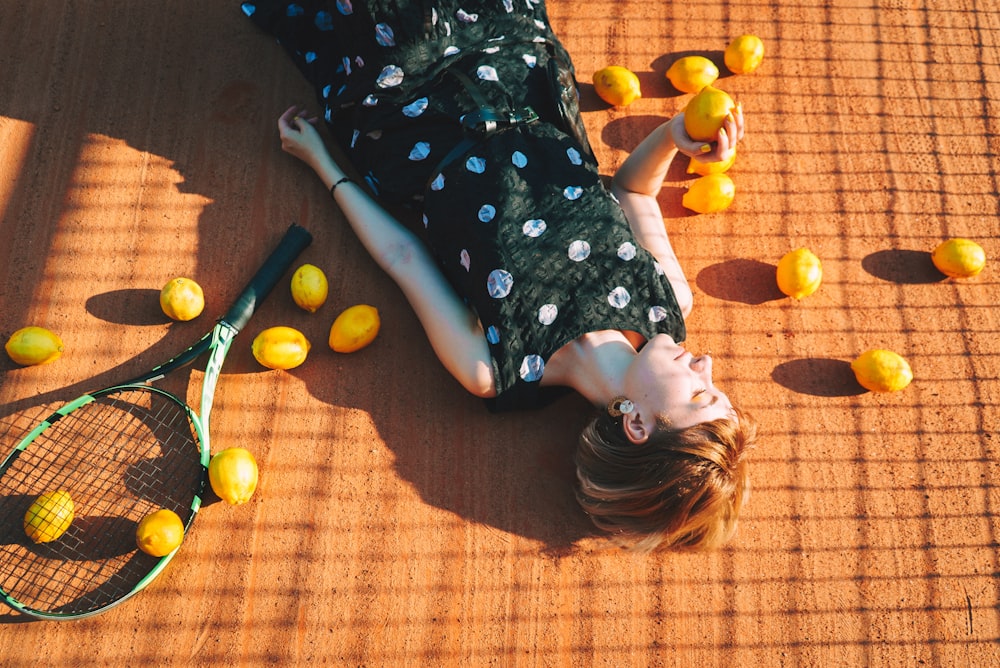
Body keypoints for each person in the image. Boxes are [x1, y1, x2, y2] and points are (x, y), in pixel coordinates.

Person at [243, 0, 757, 551]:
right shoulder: (668, 301)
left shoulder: (494, 366)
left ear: (638, 425)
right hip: (520, 67)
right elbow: (631, 191)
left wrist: (323, 163)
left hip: (409, 106)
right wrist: (674, 136)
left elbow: (403, 257)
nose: (705, 365)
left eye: (700, 395)